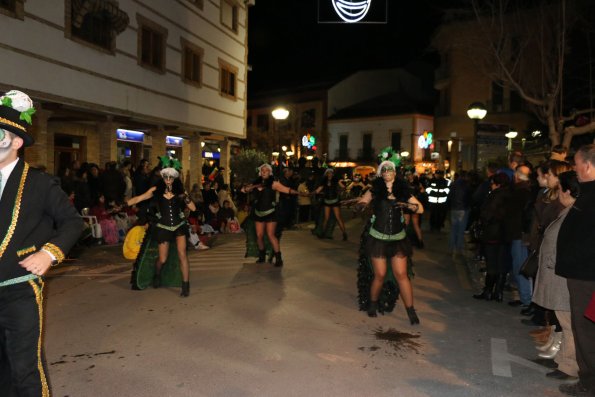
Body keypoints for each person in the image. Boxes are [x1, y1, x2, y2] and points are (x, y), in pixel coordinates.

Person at [0, 90, 83, 395]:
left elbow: (73, 223)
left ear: (17, 142)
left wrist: (49, 254)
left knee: (24, 369)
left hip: (19, 288)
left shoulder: (38, 182)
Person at [356, 160, 424, 324]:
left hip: (398, 239)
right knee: (379, 274)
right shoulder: (374, 190)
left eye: (390, 169)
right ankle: (372, 303)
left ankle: (411, 311)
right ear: (381, 173)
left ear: (394, 172)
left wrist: (409, 205)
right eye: (384, 169)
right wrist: (360, 205)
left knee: (401, 274)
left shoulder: (403, 191)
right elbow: (363, 201)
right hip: (378, 237)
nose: (387, 171)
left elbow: (420, 208)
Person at [532, 171, 580, 381]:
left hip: (563, 277)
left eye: (560, 188)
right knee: (564, 322)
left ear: (568, 190)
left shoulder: (576, 213)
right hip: (559, 276)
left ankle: (569, 366)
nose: (557, 193)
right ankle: (563, 360)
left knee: (569, 324)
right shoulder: (570, 210)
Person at [555, 144, 595, 397]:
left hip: (586, 275)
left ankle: (589, 382)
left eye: (577, 164)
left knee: (584, 329)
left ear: (588, 166)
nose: (575, 169)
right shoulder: (588, 193)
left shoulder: (591, 195)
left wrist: (574, 258)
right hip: (581, 271)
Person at [127, 165, 196, 297]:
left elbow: (193, 208)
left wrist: (185, 197)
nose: (168, 180)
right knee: (162, 259)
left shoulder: (181, 191)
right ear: (162, 177)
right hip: (163, 227)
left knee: (182, 255)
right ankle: (157, 274)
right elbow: (139, 198)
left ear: (175, 178)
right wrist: (124, 204)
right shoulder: (156, 190)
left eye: (171, 177)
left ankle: (185, 286)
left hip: (179, 226)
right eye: (165, 177)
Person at [241, 163, 300, 267]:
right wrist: (250, 187)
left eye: (266, 170)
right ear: (260, 172)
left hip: (270, 213)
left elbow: (287, 190)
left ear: (270, 172)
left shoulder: (274, 183)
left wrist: (300, 193)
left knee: (270, 235)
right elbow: (243, 190)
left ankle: (278, 258)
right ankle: (262, 255)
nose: (264, 172)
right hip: (258, 212)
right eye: (262, 170)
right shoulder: (256, 183)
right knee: (259, 236)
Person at [473, 172, 510, 301]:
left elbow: (487, 214)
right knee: (502, 264)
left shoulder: (495, 196)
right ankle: (498, 292)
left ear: (497, 184)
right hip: (505, 235)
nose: (491, 186)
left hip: (492, 234)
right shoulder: (511, 195)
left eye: (492, 184)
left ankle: (488, 291)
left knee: (492, 263)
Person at [313, 168, 348, 240]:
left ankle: (344, 234)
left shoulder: (336, 180)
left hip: (334, 201)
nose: (330, 174)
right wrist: (310, 193)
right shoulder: (324, 181)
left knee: (338, 218)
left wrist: (341, 186)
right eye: (328, 173)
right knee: (326, 218)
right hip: (327, 201)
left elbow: (343, 187)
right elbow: (318, 190)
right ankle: (322, 233)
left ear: (332, 174)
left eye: (331, 173)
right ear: (326, 174)